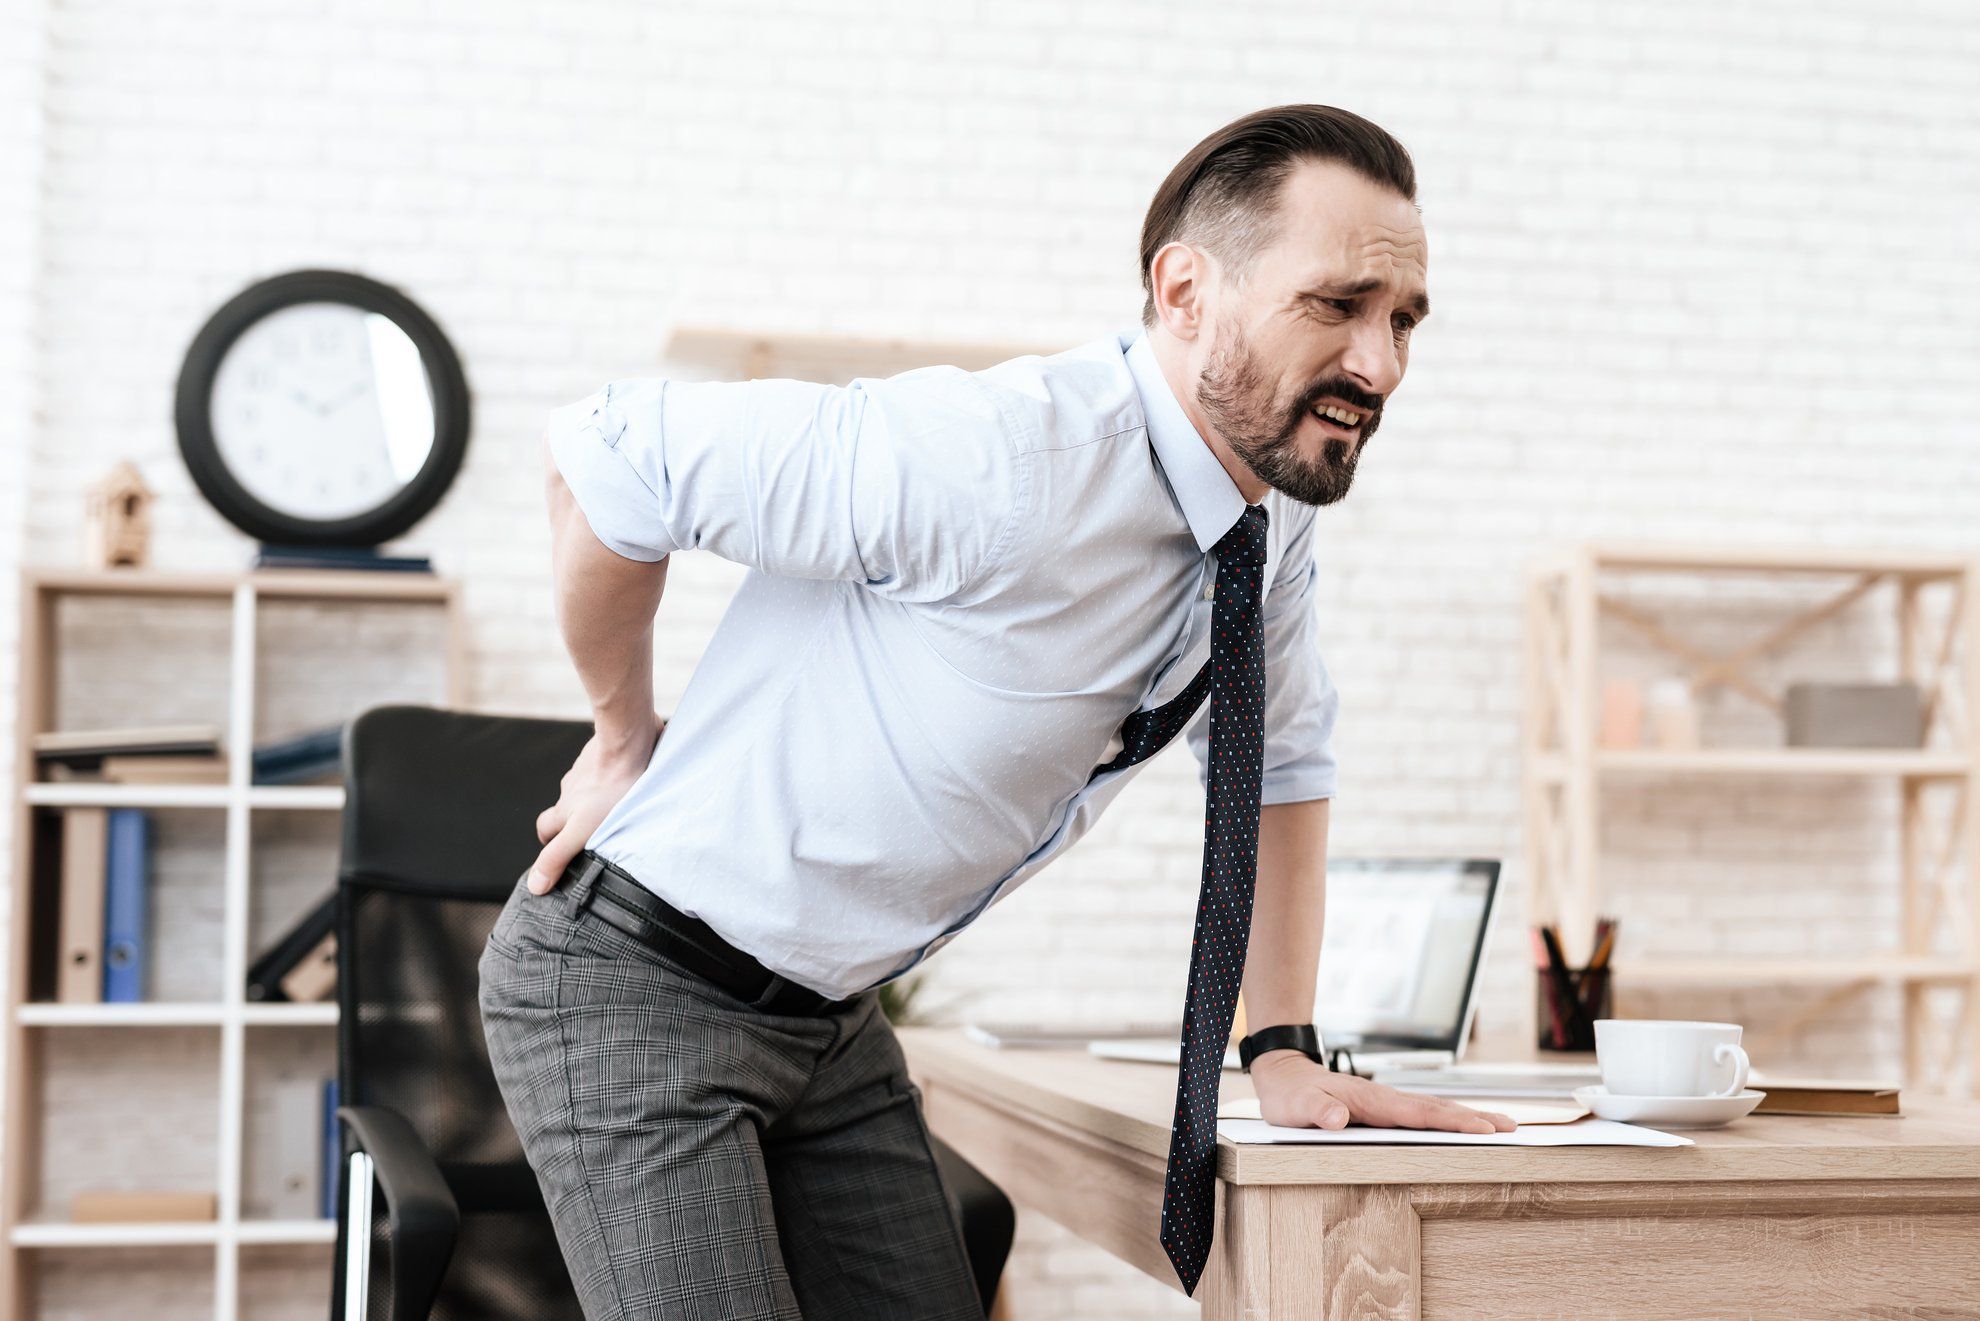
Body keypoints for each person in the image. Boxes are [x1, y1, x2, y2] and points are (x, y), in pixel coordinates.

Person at [479, 103, 1516, 1320]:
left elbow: (1284, 759)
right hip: (635, 979)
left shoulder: (1267, 525)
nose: (1381, 365)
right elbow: (603, 458)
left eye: (1403, 321)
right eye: (1336, 306)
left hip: (827, 1017)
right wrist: (620, 733)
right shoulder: (992, 459)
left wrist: (1279, 1041)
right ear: (1186, 291)